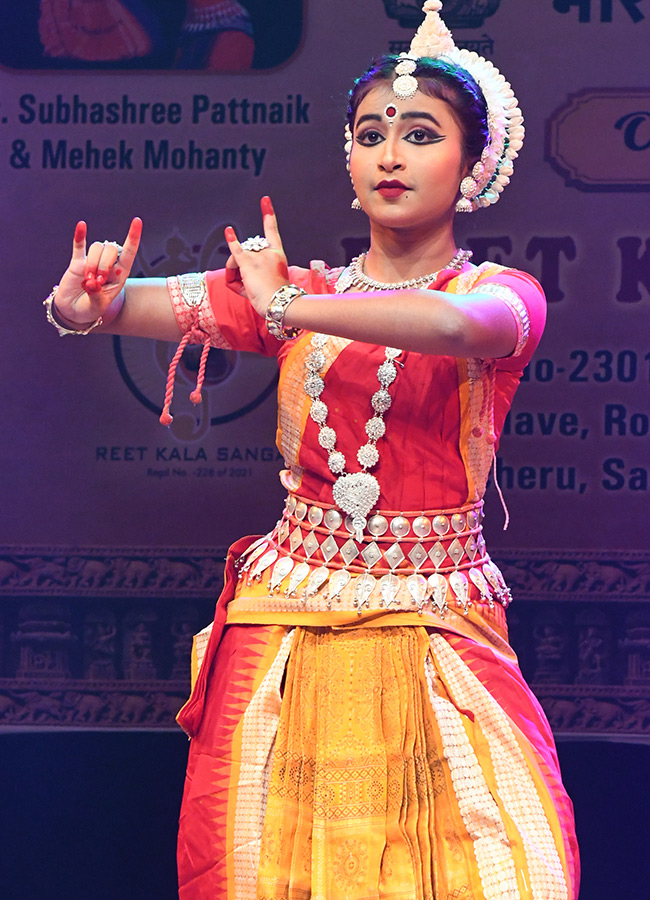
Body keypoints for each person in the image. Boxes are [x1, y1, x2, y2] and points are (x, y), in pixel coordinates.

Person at [45, 2, 579, 897]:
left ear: (472, 166)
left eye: (420, 133)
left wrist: (287, 310)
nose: (390, 153)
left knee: (493, 861)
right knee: (266, 866)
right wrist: (83, 303)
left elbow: (452, 325)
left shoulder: (502, 294)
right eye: (371, 133)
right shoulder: (297, 288)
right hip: (291, 622)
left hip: (434, 627)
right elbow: (134, 306)